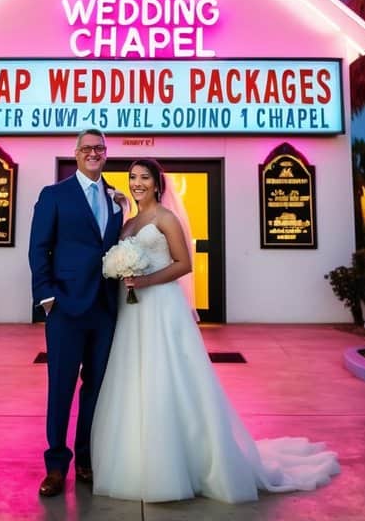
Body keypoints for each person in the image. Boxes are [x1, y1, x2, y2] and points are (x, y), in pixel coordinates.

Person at [91, 158, 340, 504]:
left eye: (144, 177)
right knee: (134, 377)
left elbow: (184, 264)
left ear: (157, 183)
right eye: (132, 177)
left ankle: (182, 461)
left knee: (167, 376)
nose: (137, 183)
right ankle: (135, 456)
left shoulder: (165, 218)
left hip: (161, 307)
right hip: (131, 311)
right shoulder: (129, 221)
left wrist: (144, 280)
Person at [28, 128, 124, 497]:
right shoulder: (54, 195)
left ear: (106, 153)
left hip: (105, 308)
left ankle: (85, 458)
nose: (93, 153)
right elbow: (39, 249)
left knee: (96, 389)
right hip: (66, 307)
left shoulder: (117, 198)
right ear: (76, 152)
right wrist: (47, 298)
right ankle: (55, 466)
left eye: (99, 148)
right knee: (61, 389)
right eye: (87, 148)